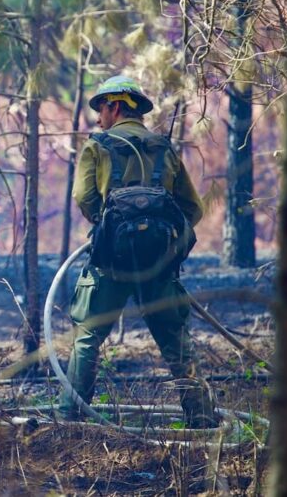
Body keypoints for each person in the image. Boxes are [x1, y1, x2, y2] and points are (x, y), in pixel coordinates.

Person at [61, 75, 217, 427]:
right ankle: (203, 420)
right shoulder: (163, 147)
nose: (99, 117)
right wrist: (163, 236)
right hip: (159, 264)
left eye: (102, 109)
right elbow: (193, 208)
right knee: (176, 341)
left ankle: (71, 419)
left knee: (87, 338)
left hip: (110, 263)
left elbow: (83, 198)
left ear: (115, 106)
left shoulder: (97, 146)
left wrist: (108, 227)